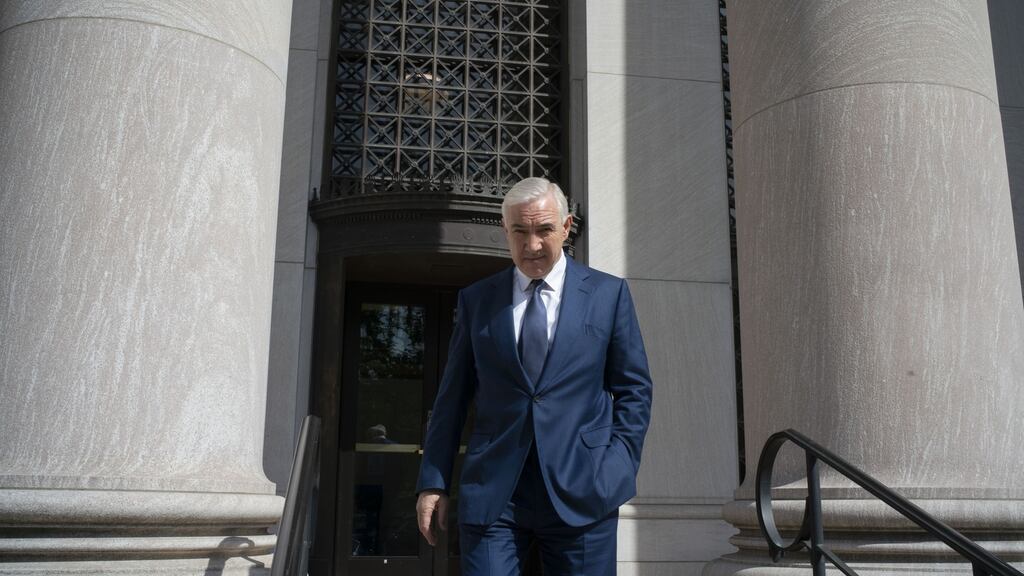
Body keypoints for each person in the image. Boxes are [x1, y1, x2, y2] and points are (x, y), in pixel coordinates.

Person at [415, 177, 653, 575]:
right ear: (505, 230)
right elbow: (451, 398)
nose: (532, 246)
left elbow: (634, 389)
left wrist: (617, 466)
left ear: (566, 226)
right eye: (520, 232)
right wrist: (433, 480)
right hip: (495, 493)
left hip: (585, 488)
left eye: (544, 230)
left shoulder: (608, 295)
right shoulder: (477, 300)